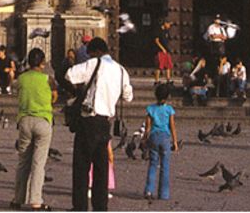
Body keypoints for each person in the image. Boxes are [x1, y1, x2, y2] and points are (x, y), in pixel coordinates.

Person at [65, 36, 134, 213]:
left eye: (90, 54)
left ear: (96, 52)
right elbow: (128, 96)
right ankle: (100, 208)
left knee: (81, 167)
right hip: (105, 123)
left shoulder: (94, 64)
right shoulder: (121, 70)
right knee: (101, 168)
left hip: (89, 122)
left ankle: (80, 208)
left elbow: (69, 75)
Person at [11, 47, 53, 212]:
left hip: (25, 121)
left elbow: (19, 94)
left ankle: (18, 198)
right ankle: (36, 201)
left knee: (23, 161)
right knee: (38, 163)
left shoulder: (21, 78)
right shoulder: (48, 79)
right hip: (43, 121)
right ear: (42, 62)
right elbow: (55, 96)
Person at [142, 81, 178, 201]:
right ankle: (163, 194)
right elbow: (172, 126)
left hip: (154, 136)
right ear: (168, 96)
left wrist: (145, 139)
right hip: (165, 138)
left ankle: (149, 190)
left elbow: (147, 128)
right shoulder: (169, 110)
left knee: (153, 164)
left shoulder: (150, 109)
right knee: (164, 166)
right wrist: (175, 141)